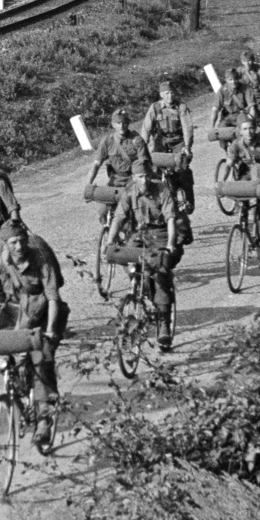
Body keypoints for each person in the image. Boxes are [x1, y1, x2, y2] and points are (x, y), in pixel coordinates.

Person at [0, 223, 67, 448]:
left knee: (41, 360)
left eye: (22, 240)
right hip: (12, 313)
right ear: (5, 244)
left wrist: (49, 330)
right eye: (13, 242)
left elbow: (53, 298)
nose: (19, 246)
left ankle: (44, 420)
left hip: (42, 315)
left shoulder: (40, 260)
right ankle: (17, 387)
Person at [109, 164, 180, 351]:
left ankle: (163, 322)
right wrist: (110, 243)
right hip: (138, 236)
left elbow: (171, 218)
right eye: (140, 176)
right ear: (133, 178)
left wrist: (170, 244)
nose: (144, 180)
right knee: (126, 258)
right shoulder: (129, 193)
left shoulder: (162, 190)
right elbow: (118, 218)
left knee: (160, 274)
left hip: (160, 235)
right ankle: (137, 283)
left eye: (147, 176)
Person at [224, 116, 260, 265]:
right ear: (240, 131)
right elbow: (228, 165)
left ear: (255, 128)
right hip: (246, 176)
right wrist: (221, 181)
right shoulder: (236, 144)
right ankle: (243, 226)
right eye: (245, 129)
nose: (249, 132)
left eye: (251, 128)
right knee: (241, 202)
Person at [140, 78, 195, 213]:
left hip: (178, 142)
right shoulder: (155, 108)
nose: (169, 96)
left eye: (171, 93)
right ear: (161, 95)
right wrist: (142, 148)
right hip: (162, 142)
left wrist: (187, 147)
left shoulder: (181, 107)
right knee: (153, 168)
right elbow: (146, 128)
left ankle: (188, 199)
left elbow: (187, 128)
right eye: (166, 94)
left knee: (182, 169)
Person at [210, 66, 254, 142]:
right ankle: (227, 149)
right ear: (226, 80)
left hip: (242, 115)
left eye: (235, 79)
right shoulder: (222, 91)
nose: (233, 82)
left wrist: (251, 121)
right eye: (230, 80)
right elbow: (215, 110)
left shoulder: (245, 88)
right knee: (220, 134)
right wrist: (212, 127)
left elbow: (252, 107)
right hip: (228, 117)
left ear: (238, 79)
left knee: (245, 135)